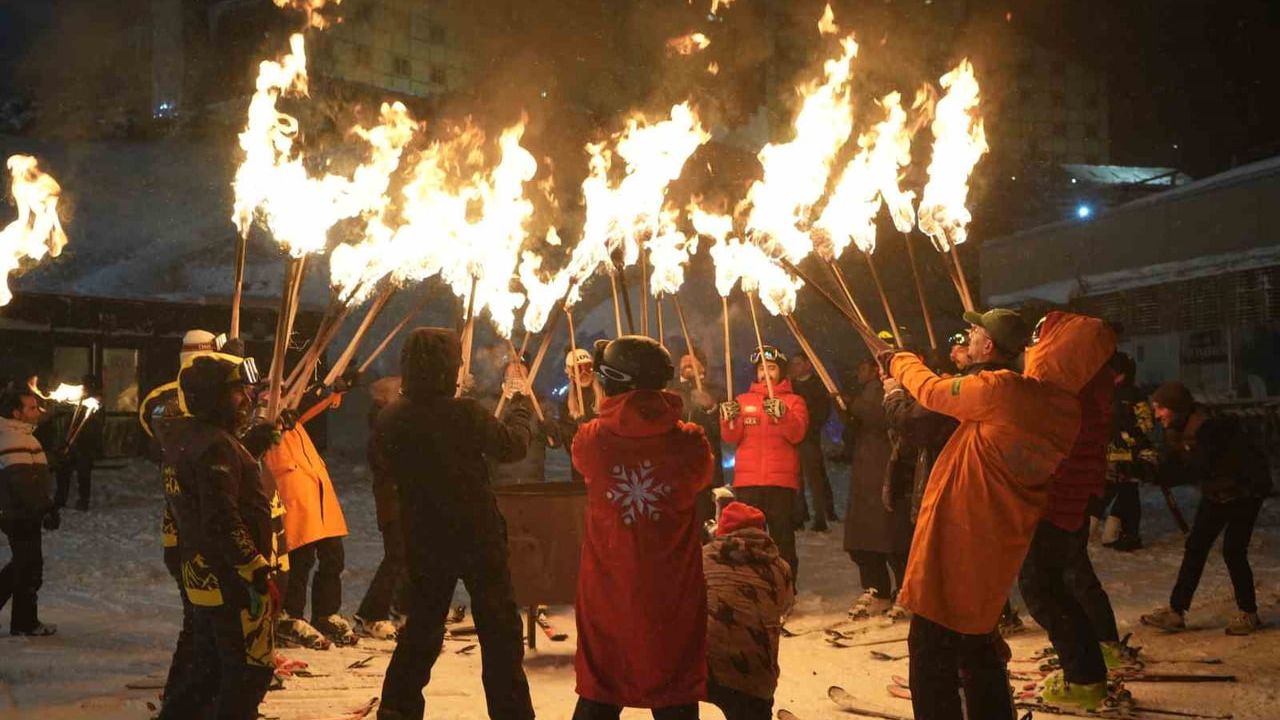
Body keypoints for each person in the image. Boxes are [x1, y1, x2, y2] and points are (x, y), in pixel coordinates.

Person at [883, 309, 1114, 720]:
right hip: (996, 537)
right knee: (975, 641)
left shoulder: (1007, 390)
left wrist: (899, 361)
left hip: (963, 534)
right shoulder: (1063, 409)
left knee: (931, 649)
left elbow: (933, 393)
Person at [374, 328, 535, 720]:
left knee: (422, 630)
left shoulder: (392, 416)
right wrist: (517, 402)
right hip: (476, 535)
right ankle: (511, 713)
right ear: (446, 367)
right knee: (499, 631)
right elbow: (512, 446)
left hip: (424, 536)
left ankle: (398, 708)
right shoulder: (462, 412)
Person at [572, 335, 713, 720]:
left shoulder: (591, 440)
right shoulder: (689, 442)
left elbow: (593, 453)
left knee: (601, 692)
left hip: (609, 590)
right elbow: (699, 476)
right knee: (674, 694)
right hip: (671, 593)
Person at [159, 354, 285, 720]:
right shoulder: (215, 446)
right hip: (231, 580)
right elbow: (221, 518)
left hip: (204, 574)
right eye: (236, 393)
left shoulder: (185, 439)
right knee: (249, 672)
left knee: (208, 670)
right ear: (214, 397)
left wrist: (249, 449)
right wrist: (257, 570)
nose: (246, 399)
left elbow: (204, 497)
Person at [1017, 314, 1122, 710]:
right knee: (1062, 586)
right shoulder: (1091, 383)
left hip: (1054, 499)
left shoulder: (1062, 389)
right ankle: (1087, 668)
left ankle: (1083, 679)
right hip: (1074, 499)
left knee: (1044, 592)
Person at [1140, 381, 1272, 636]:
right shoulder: (1178, 429)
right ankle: (1176, 612)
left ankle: (1249, 613)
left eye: (1160, 408)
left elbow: (1198, 467)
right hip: (1217, 492)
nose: (1157, 415)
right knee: (1196, 547)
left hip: (1245, 492)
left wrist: (1161, 474)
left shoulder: (1212, 430)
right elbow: (1176, 463)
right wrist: (1149, 469)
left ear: (1177, 408)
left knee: (1234, 550)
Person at [720, 345, 808, 583]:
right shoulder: (742, 400)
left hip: (780, 482)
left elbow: (797, 434)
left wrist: (783, 415)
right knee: (749, 540)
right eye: (761, 368)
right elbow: (731, 438)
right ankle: (754, 586)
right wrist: (727, 419)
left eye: (771, 368)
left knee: (782, 540)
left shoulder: (794, 401)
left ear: (780, 371)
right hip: (748, 482)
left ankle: (786, 588)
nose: (765, 373)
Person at [266, 418, 353, 648]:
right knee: (299, 556)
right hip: (294, 489)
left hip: (315, 486)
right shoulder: (264, 414)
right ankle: (290, 617)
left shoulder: (294, 411)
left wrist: (334, 389)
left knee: (333, 554)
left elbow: (313, 400)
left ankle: (326, 614)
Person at [703, 501, 794, 720]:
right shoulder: (780, 566)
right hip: (753, 669)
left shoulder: (701, 557)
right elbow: (785, 605)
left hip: (703, 665)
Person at [844, 357, 910, 619]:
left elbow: (882, 416)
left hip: (888, 469)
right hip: (867, 470)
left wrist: (854, 406)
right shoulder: (867, 391)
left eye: (863, 366)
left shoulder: (890, 389)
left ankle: (905, 590)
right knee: (867, 536)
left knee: (892, 536)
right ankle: (877, 588)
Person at [354, 376, 409, 640]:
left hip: (406, 501)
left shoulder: (393, 426)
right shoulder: (383, 432)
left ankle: (402, 609)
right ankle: (370, 614)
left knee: (409, 555)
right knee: (396, 555)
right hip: (393, 502)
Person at [0, 387, 58, 636]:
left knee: (25, 564)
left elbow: (31, 469)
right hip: (18, 512)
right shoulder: (13, 438)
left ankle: (25, 621)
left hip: (21, 511)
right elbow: (21, 480)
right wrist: (45, 508)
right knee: (28, 566)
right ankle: (24, 623)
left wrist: (56, 457)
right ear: (17, 413)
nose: (38, 411)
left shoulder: (21, 436)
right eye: (31, 408)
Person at [1100, 352, 1156, 551]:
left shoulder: (1128, 395)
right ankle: (1118, 533)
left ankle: (1120, 533)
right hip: (1115, 454)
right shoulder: (1116, 394)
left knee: (1124, 493)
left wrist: (1128, 435)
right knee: (1119, 493)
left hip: (1122, 455)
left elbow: (1147, 424)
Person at [668, 351, 724, 527]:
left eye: (692, 362)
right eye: (683, 363)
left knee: (703, 521)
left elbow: (724, 432)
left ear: (703, 367)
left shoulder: (717, 391)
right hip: (676, 470)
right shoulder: (670, 392)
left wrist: (711, 408)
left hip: (705, 467)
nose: (686, 365)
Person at [787, 352, 836, 532]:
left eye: (798, 363)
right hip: (793, 438)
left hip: (809, 438)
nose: (795, 367)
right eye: (793, 364)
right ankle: (800, 514)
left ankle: (821, 515)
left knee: (815, 478)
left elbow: (822, 412)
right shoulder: (790, 386)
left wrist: (807, 426)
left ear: (808, 365)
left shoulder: (817, 385)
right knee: (796, 478)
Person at [489, 356, 555, 486]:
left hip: (534, 483)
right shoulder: (492, 405)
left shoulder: (540, 406)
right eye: (513, 364)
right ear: (504, 375)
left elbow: (555, 442)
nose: (517, 369)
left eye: (521, 367)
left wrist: (549, 427)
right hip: (500, 485)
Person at [53, 374, 102, 511]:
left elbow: (95, 427)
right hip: (70, 442)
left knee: (83, 473)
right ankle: (61, 498)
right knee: (63, 470)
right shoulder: (77, 400)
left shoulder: (95, 403)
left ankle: (82, 501)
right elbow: (68, 417)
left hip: (84, 444)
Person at [554, 348, 601, 482]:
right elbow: (568, 443)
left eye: (588, 368)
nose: (584, 373)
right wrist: (579, 431)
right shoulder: (565, 406)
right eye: (579, 369)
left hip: (606, 467)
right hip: (581, 471)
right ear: (570, 372)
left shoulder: (607, 396)